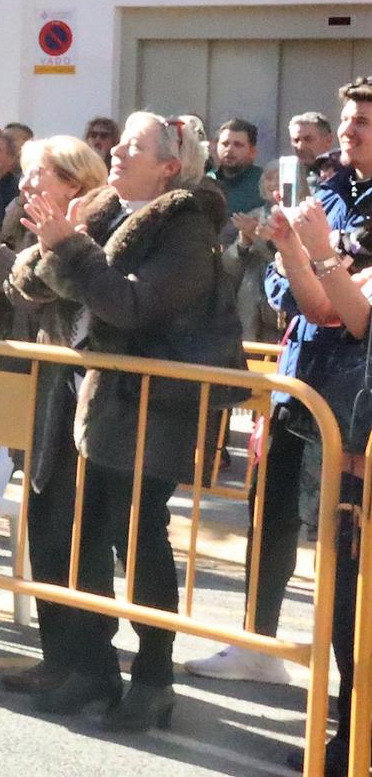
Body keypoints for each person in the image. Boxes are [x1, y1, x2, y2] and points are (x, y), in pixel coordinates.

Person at [16, 111, 239, 732]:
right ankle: (91, 667)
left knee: (137, 536)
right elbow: (33, 281)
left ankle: (154, 675)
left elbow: (132, 305)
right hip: (87, 393)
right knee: (83, 534)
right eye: (118, 143)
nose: (114, 153)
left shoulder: (186, 228)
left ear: (170, 166)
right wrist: (51, 249)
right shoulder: (100, 207)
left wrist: (68, 249)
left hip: (151, 403)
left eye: (133, 146)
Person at [189, 82, 372, 697]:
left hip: (352, 397)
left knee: (343, 547)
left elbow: (345, 308)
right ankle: (257, 642)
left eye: (365, 123)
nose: (351, 132)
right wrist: (305, 267)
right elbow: (282, 287)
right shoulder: (327, 189)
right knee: (267, 513)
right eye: (348, 120)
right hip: (298, 380)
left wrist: (318, 270)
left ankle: (349, 692)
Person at [0, 135, 110, 694]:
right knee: (46, 531)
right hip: (42, 395)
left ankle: (90, 666)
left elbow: (62, 296)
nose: (26, 185)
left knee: (78, 534)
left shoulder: (97, 228)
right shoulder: (33, 231)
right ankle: (57, 657)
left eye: (39, 176)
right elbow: (12, 315)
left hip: (85, 400)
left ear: (74, 183)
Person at [261, 192, 369, 776]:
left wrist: (323, 252)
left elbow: (361, 318)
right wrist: (294, 251)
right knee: (348, 608)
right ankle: (351, 738)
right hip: (354, 464)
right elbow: (331, 312)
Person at [210, 117, 266, 214]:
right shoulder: (207, 181)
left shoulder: (264, 183)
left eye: (238, 145)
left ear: (252, 151)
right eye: (225, 144)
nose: (229, 149)